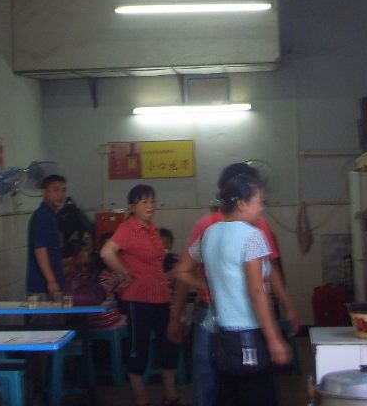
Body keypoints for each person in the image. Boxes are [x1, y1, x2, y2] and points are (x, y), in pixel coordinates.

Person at [168, 163, 299, 406]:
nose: (262, 207)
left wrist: (212, 284)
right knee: (257, 394)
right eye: (258, 201)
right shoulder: (252, 236)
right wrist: (273, 338)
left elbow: (182, 270)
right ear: (241, 203)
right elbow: (257, 290)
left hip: (223, 333)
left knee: (227, 392)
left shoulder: (209, 233)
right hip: (248, 331)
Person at [100, 184, 184, 406]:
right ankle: (142, 400)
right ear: (132, 206)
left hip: (161, 298)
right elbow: (106, 252)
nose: (150, 206)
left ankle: (170, 397)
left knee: (169, 345)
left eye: (152, 201)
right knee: (139, 349)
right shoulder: (128, 228)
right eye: (144, 202)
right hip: (138, 300)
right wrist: (124, 273)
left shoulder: (153, 229)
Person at [26, 173, 67, 298]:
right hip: (42, 287)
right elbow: (40, 249)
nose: (60, 194)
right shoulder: (42, 216)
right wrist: (51, 281)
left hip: (49, 284)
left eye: (63, 190)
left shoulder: (52, 216)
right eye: (55, 190)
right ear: (44, 192)